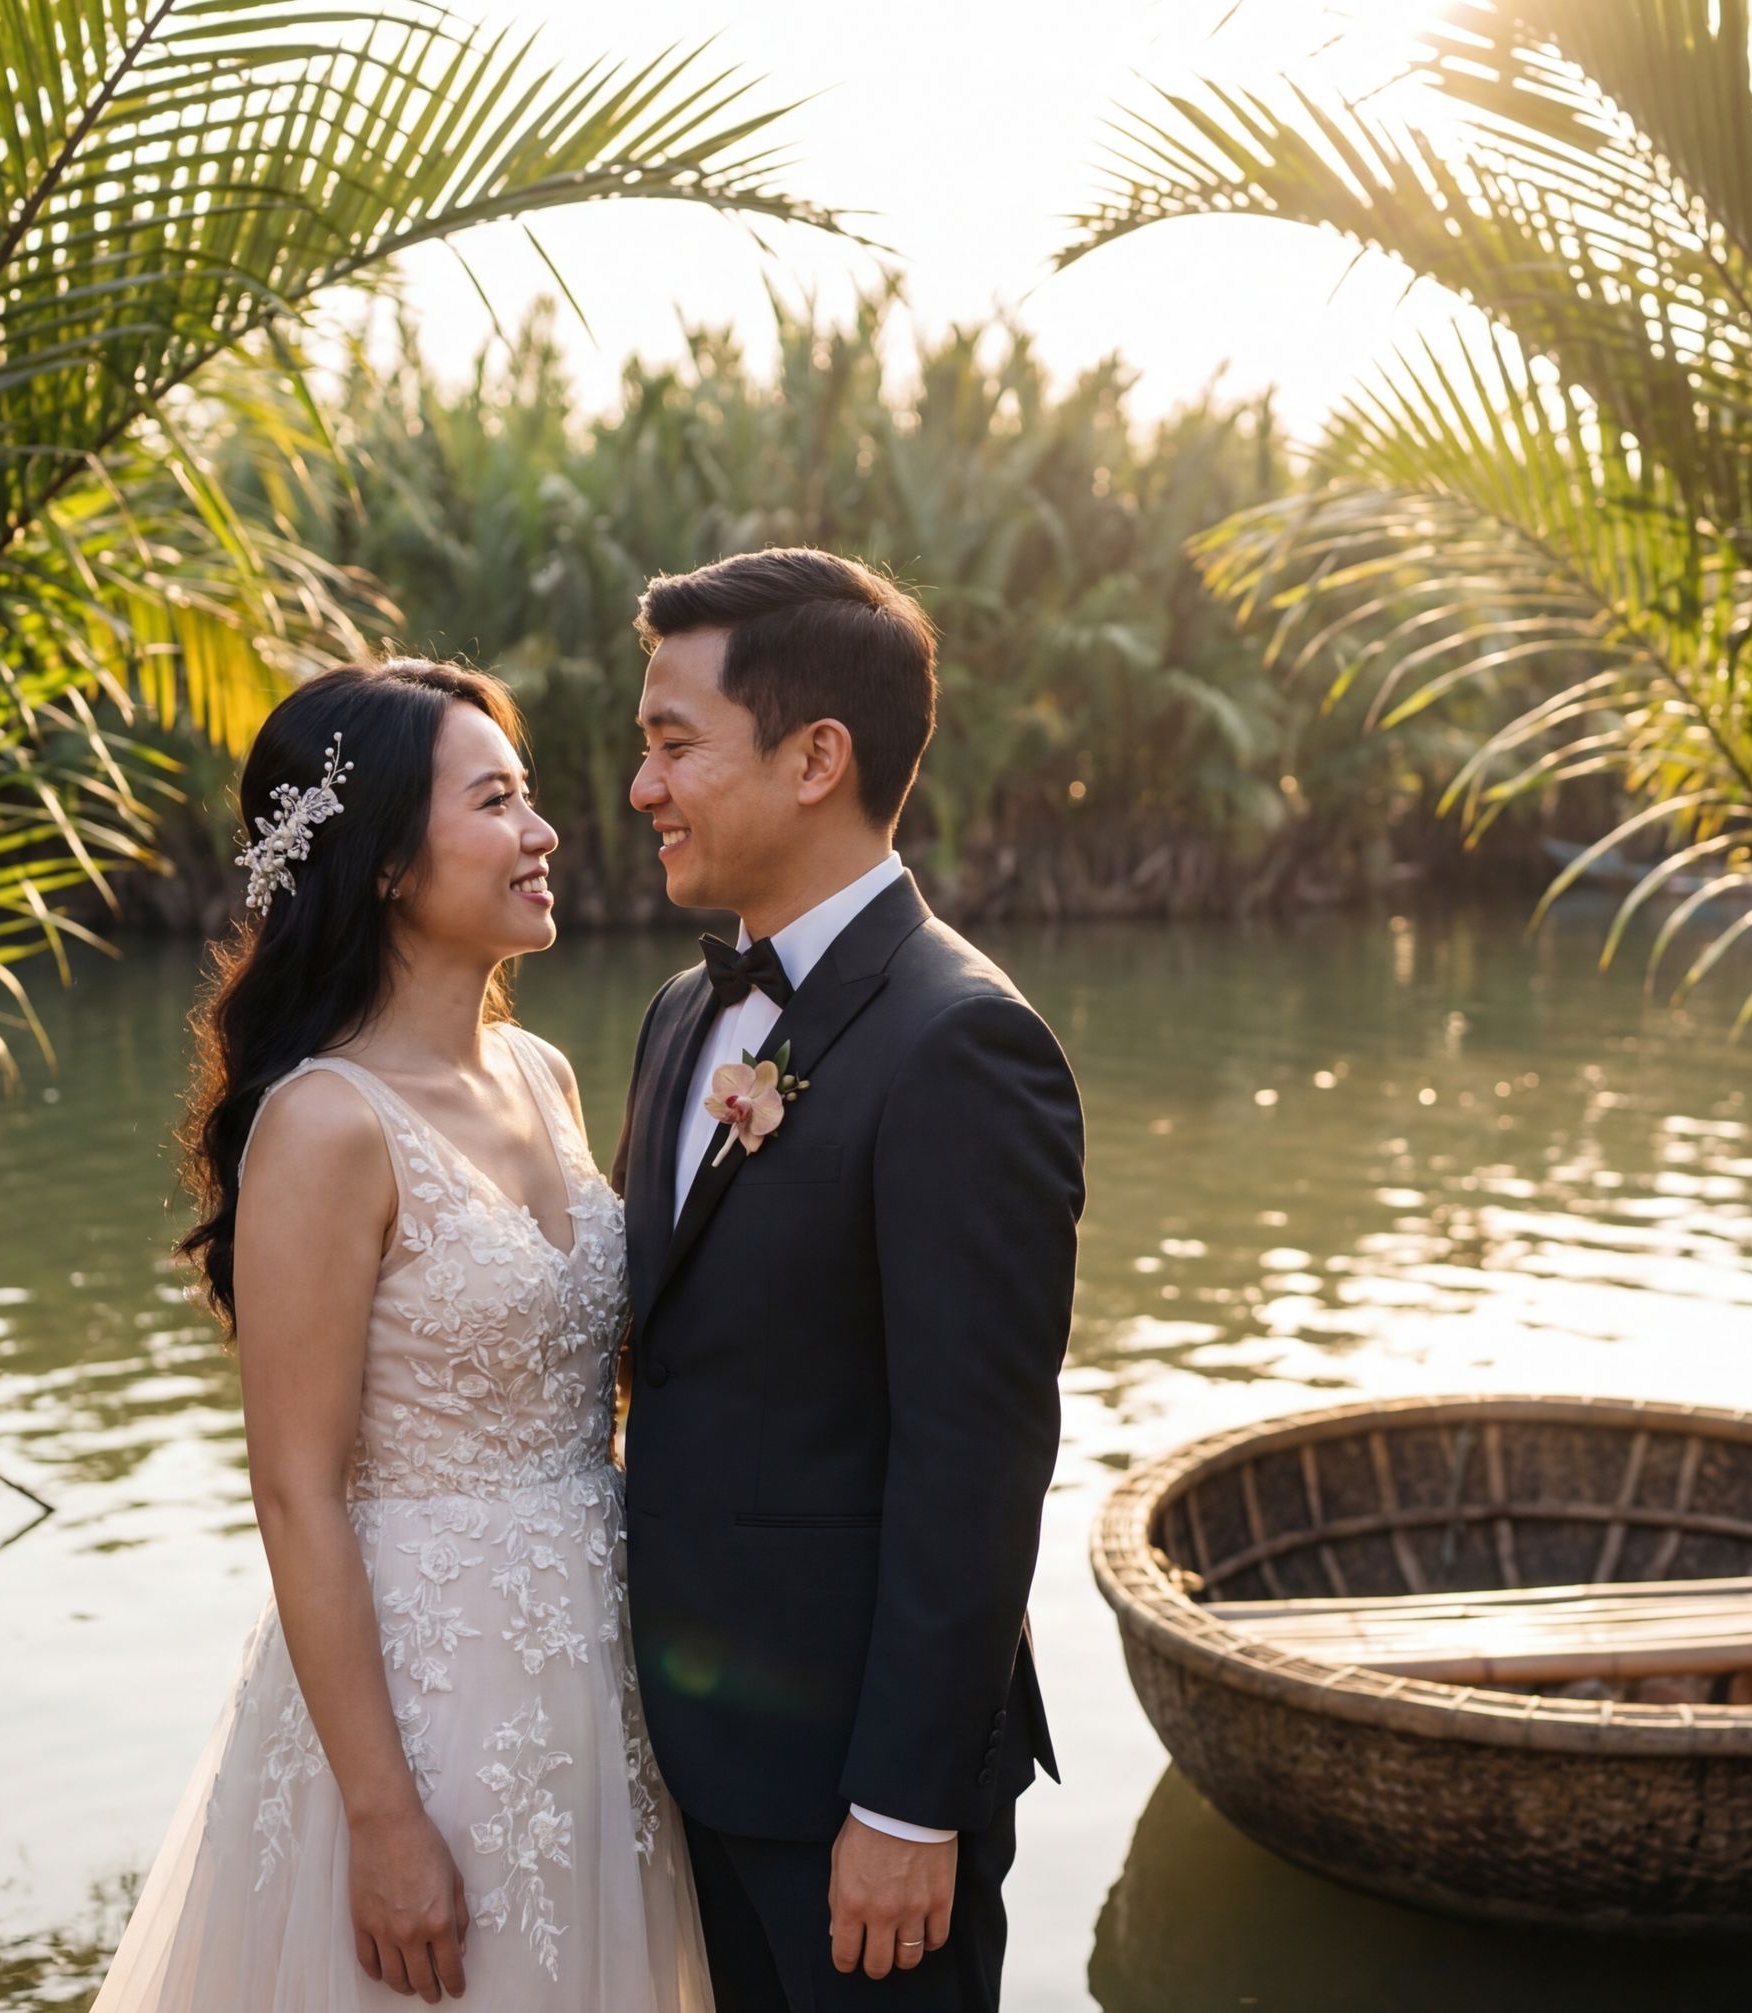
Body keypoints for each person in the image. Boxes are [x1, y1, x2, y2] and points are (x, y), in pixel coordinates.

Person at [97, 660, 707, 2011]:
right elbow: (293, 1486)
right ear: (381, 863)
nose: (544, 832)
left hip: (595, 1678)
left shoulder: (541, 1074)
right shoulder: (326, 1124)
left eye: (529, 794)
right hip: (427, 1700)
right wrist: (381, 1818)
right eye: (497, 801)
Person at [614, 549, 1084, 2013]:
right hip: (688, 1761)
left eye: (673, 743)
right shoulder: (681, 1014)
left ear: (818, 755)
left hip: (856, 1802)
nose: (643, 787)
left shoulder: (962, 1045)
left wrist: (904, 1799)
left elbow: (980, 1451)